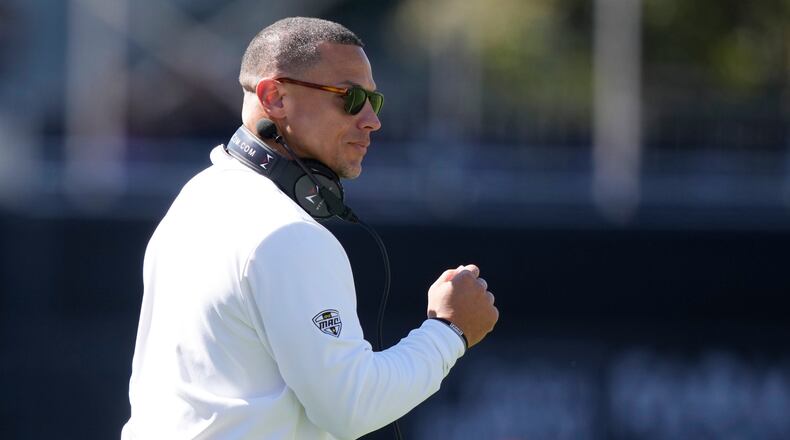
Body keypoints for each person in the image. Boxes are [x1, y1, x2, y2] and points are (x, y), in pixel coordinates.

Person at [122, 17, 498, 439]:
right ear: (274, 96)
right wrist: (449, 330)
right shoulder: (287, 233)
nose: (372, 120)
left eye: (375, 100)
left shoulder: (198, 197)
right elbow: (352, 407)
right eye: (351, 97)